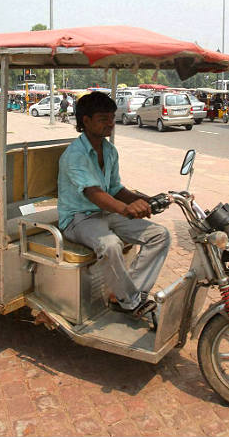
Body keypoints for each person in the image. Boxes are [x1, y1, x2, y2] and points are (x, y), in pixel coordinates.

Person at [58, 92, 171, 319]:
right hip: (78, 218)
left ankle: (128, 294)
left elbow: (115, 189)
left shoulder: (109, 150)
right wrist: (125, 209)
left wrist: (148, 201)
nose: (110, 123)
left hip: (105, 213)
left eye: (112, 117)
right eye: (103, 118)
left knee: (160, 235)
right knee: (111, 245)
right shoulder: (75, 155)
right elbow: (94, 193)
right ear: (86, 121)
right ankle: (128, 300)